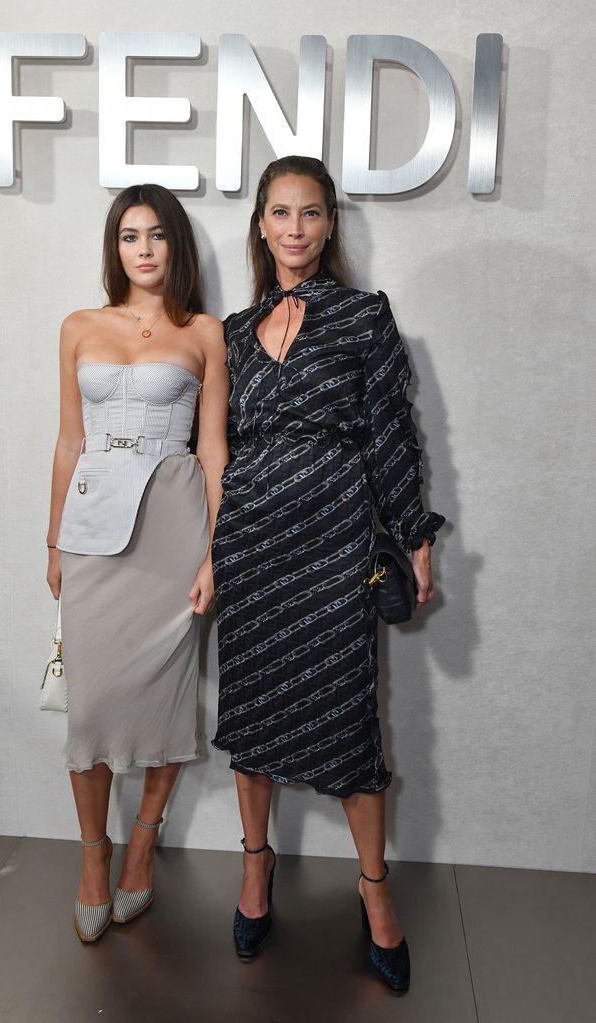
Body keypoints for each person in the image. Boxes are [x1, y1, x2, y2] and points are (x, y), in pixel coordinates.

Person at [212, 156, 444, 991]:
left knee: (347, 713)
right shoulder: (236, 331)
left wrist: (415, 536)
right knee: (252, 703)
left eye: (311, 213)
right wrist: (207, 546)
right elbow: (218, 447)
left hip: (331, 535)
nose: (296, 228)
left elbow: (389, 430)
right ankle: (254, 866)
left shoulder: (361, 315)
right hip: (250, 538)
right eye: (280, 212)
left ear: (330, 223)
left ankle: (374, 889)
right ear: (262, 225)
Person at [46, 184, 229, 942]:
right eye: (129, 235)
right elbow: (67, 439)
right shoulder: (79, 325)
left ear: (175, 245)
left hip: (173, 518)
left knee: (166, 697)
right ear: (113, 246)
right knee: (86, 701)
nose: (143, 249)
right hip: (92, 518)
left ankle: (143, 845)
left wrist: (217, 549)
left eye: (156, 235)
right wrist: (52, 538)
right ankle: (95, 854)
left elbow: (215, 447)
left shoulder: (206, 332)